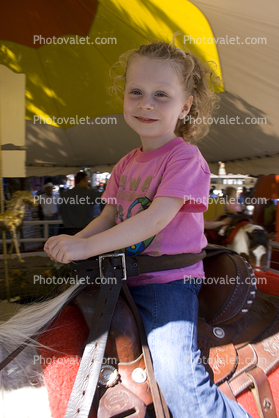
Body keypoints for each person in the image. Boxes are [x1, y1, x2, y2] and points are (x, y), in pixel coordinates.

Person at [44, 41, 251, 418]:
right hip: (122, 280)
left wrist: (84, 249)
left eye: (161, 95)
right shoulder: (125, 163)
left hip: (168, 282)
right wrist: (75, 240)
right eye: (136, 92)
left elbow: (156, 218)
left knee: (177, 379)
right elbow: (108, 218)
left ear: (185, 106)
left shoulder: (185, 157)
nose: (146, 104)